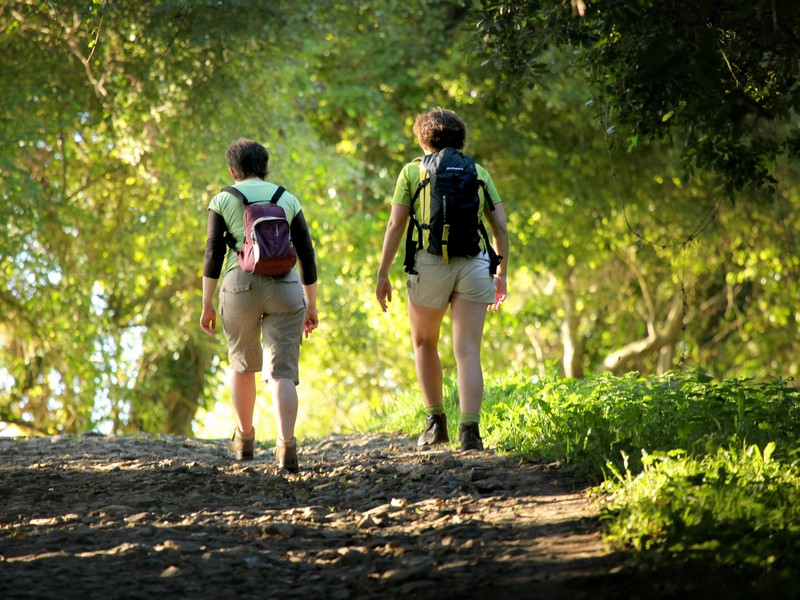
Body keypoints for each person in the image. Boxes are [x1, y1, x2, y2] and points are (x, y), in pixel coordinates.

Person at [376, 108, 509, 451]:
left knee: (425, 343)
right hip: (474, 264)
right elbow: (501, 228)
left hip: (429, 265)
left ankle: (436, 424)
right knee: (467, 352)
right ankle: (471, 432)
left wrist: (383, 273)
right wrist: (501, 273)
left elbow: (395, 226)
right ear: (460, 138)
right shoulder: (478, 172)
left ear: (423, 139)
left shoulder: (411, 172)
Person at [200, 138, 318, 472]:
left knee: (242, 364)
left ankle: (245, 441)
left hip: (240, 286)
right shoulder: (287, 198)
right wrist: (311, 305)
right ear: (265, 168)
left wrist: (207, 304)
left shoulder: (223, 199)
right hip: (286, 286)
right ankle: (286, 446)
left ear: (232, 170)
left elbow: (213, 253)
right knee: (282, 372)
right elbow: (307, 255)